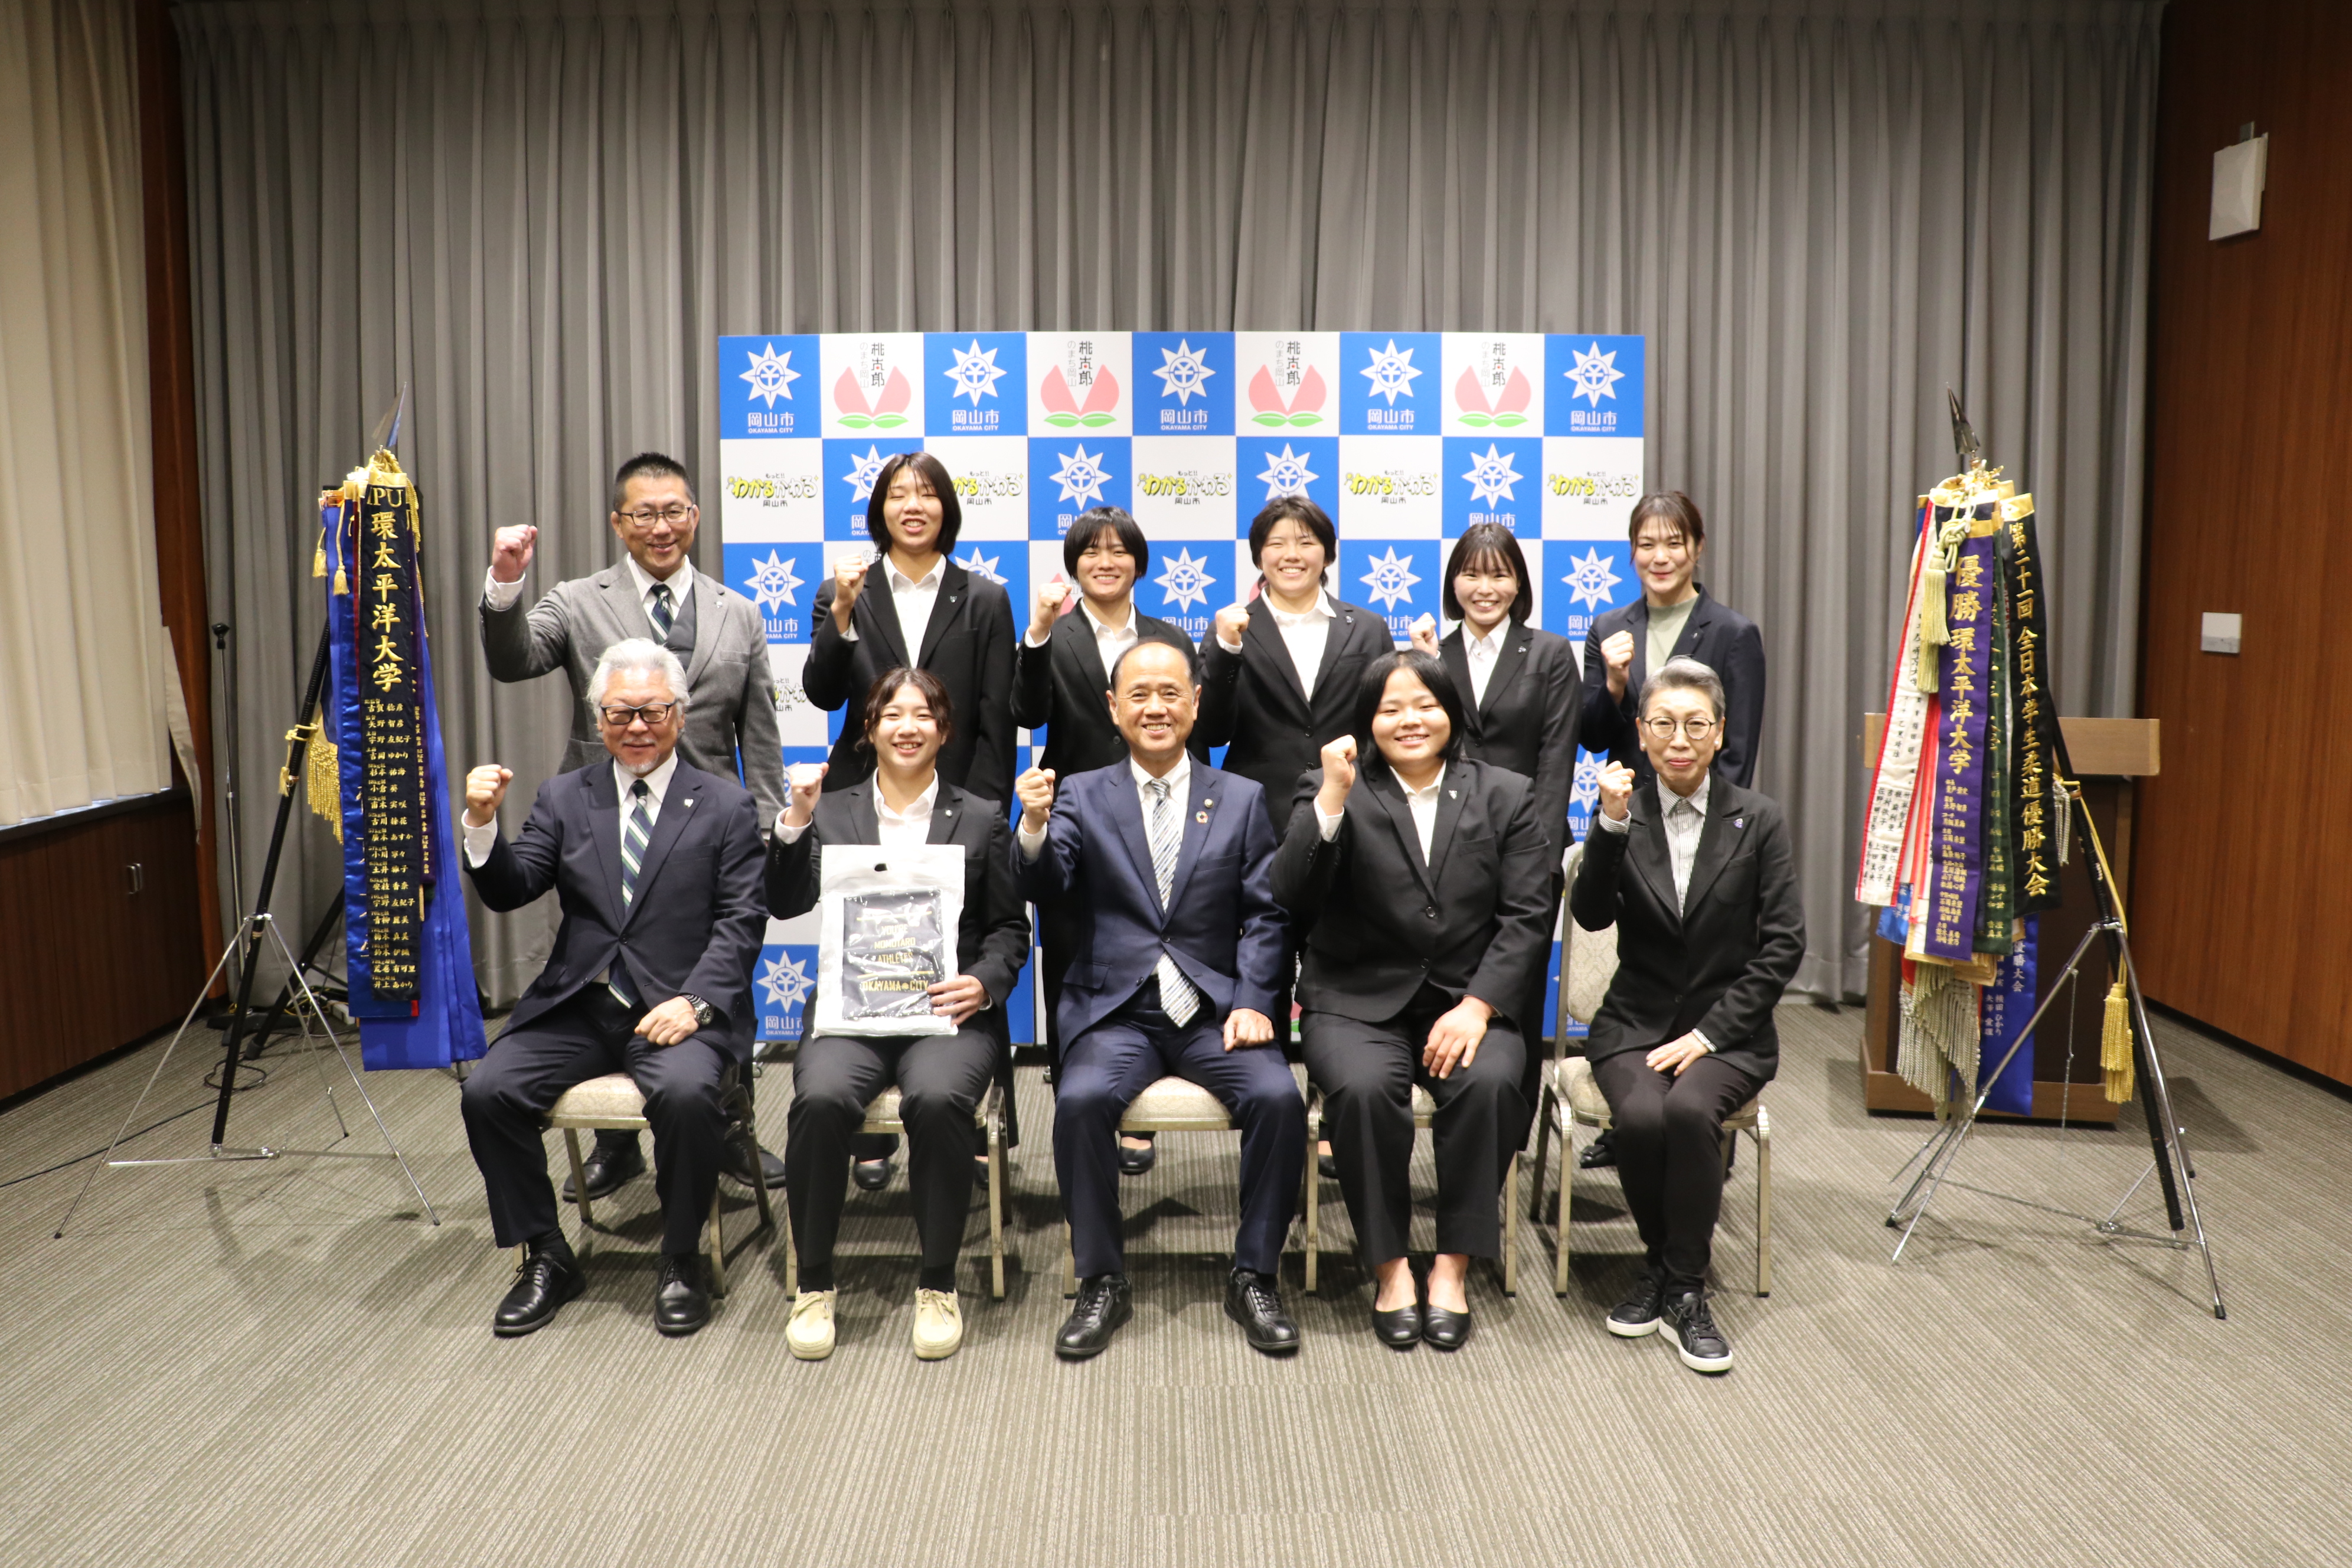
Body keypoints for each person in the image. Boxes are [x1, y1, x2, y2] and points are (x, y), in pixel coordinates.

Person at [479, 450, 787, 1205]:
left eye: (674, 511)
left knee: (718, 978)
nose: (661, 526)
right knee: (609, 975)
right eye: (644, 513)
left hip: (713, 834)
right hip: (607, 831)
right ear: (618, 522)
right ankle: (616, 1142)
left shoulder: (738, 612)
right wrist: (506, 583)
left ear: (695, 517)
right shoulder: (577, 600)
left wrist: (769, 828)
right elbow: (514, 660)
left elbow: (760, 734)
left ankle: (726, 1127)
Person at [455, 639, 766, 1340]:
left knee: (686, 1096)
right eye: (620, 713)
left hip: (679, 1007)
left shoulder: (725, 803)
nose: (637, 726)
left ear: (679, 714)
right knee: (488, 1092)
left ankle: (681, 1257)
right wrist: (481, 826)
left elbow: (743, 920)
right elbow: (512, 886)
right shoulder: (566, 796)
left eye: (652, 711)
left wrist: (696, 1002)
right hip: (580, 1003)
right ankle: (546, 1253)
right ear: (599, 720)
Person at [1015, 639, 1304, 1361]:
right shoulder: (1080, 792)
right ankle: (1101, 1279)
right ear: (1112, 707)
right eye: (1139, 694)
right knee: (1081, 1101)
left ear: (1196, 704)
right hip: (1117, 1010)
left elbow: (1266, 915)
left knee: (1278, 1099)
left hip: (1213, 1011)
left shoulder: (1239, 796)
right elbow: (1047, 886)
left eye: (1170, 693)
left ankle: (1255, 1273)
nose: (1155, 707)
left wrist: (1254, 999)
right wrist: (1034, 827)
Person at [1273, 652, 1553, 1351]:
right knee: (1365, 1092)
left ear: (1451, 713)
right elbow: (1291, 893)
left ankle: (1452, 1267)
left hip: (1466, 997)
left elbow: (1527, 916)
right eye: (1390, 708)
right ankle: (1391, 1267)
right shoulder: (1331, 785)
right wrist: (1332, 799)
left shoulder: (1507, 793)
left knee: (1491, 1084)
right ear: (1367, 720)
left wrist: (1479, 1006)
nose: (1410, 720)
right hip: (1354, 997)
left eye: (1426, 705)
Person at [765, 669, 1028, 1363]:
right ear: (870, 728)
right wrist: (795, 818)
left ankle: (938, 1281)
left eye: (923, 715)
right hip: (851, 1012)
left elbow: (1009, 929)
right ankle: (814, 1283)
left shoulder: (981, 815)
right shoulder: (831, 811)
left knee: (938, 1100)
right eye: (892, 714)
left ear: (944, 730)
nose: (907, 727)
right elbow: (784, 904)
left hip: (946, 1010)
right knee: (821, 1099)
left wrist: (983, 983)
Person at [1569, 656, 1803, 1375]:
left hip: (1726, 1029)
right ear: (1641, 733)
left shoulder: (1758, 818)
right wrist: (1608, 825)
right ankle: (1665, 1268)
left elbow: (1784, 943)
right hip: (1635, 1022)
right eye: (1664, 724)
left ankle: (1683, 1287)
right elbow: (1591, 914)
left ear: (1720, 732)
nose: (1680, 740)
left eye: (1696, 725)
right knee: (1641, 1117)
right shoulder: (1624, 813)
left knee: (1690, 1111)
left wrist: (1709, 1033)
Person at [805, 450, 1018, 1190]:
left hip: (958, 804)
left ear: (946, 509)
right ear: (881, 510)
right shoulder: (845, 590)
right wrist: (840, 614)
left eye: (928, 494)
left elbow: (995, 717)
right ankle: (869, 1135)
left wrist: (982, 814)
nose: (914, 506)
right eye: (899, 494)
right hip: (868, 799)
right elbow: (822, 691)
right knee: (872, 945)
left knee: (968, 953)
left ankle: (976, 1125)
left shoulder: (984, 597)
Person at [1576, 490, 1765, 1172]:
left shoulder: (1732, 631)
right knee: (1640, 968)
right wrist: (1614, 682)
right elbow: (1592, 733)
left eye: (1674, 542)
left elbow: (1736, 748)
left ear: (1697, 547)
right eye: (1647, 544)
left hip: (1704, 827)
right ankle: (1632, 1118)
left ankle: (1704, 1124)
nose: (1661, 556)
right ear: (1632, 552)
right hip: (1634, 825)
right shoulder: (1609, 626)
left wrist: (1713, 828)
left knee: (1703, 964)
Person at [1012, 504, 1198, 1177]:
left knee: (1155, 954)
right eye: (1091, 552)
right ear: (1074, 565)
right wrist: (1038, 631)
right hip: (1078, 818)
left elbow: (1191, 728)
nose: (1105, 562)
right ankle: (1078, 1107)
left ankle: (1139, 1118)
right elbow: (1027, 710)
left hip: (1158, 816)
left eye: (1119, 550)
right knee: (1070, 962)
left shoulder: (1169, 636)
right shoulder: (1053, 636)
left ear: (1139, 563)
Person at [1195, 495, 1393, 1056]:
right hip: (1260, 820)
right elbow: (1211, 729)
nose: (1292, 554)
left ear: (1327, 552)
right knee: (1264, 968)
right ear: (1259, 555)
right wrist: (1227, 649)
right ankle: (1270, 1088)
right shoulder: (1232, 627)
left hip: (1344, 818)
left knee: (1344, 966)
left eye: (1306, 542)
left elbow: (1381, 726)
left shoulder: (1366, 627)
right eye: (1277, 542)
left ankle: (1337, 1090)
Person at [1409, 522, 1580, 1078]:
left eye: (1499, 575)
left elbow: (1557, 759)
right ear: (1453, 584)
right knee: (1451, 980)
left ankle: (1514, 1113)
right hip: (1451, 847)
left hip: (1529, 847)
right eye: (1471, 574)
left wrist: (1541, 857)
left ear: (1519, 584)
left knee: (1519, 987)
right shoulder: (1433, 655)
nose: (1485, 588)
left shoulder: (1550, 653)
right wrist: (1425, 665)